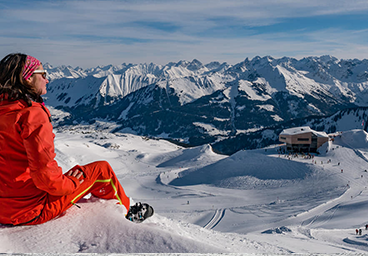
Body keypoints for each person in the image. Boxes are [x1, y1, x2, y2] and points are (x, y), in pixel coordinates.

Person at [0, 53, 153, 226]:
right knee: (102, 171)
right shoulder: (31, 114)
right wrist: (72, 183)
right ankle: (127, 216)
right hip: (29, 211)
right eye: (42, 74)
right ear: (27, 78)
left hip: (2, 208)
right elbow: (45, 177)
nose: (47, 79)